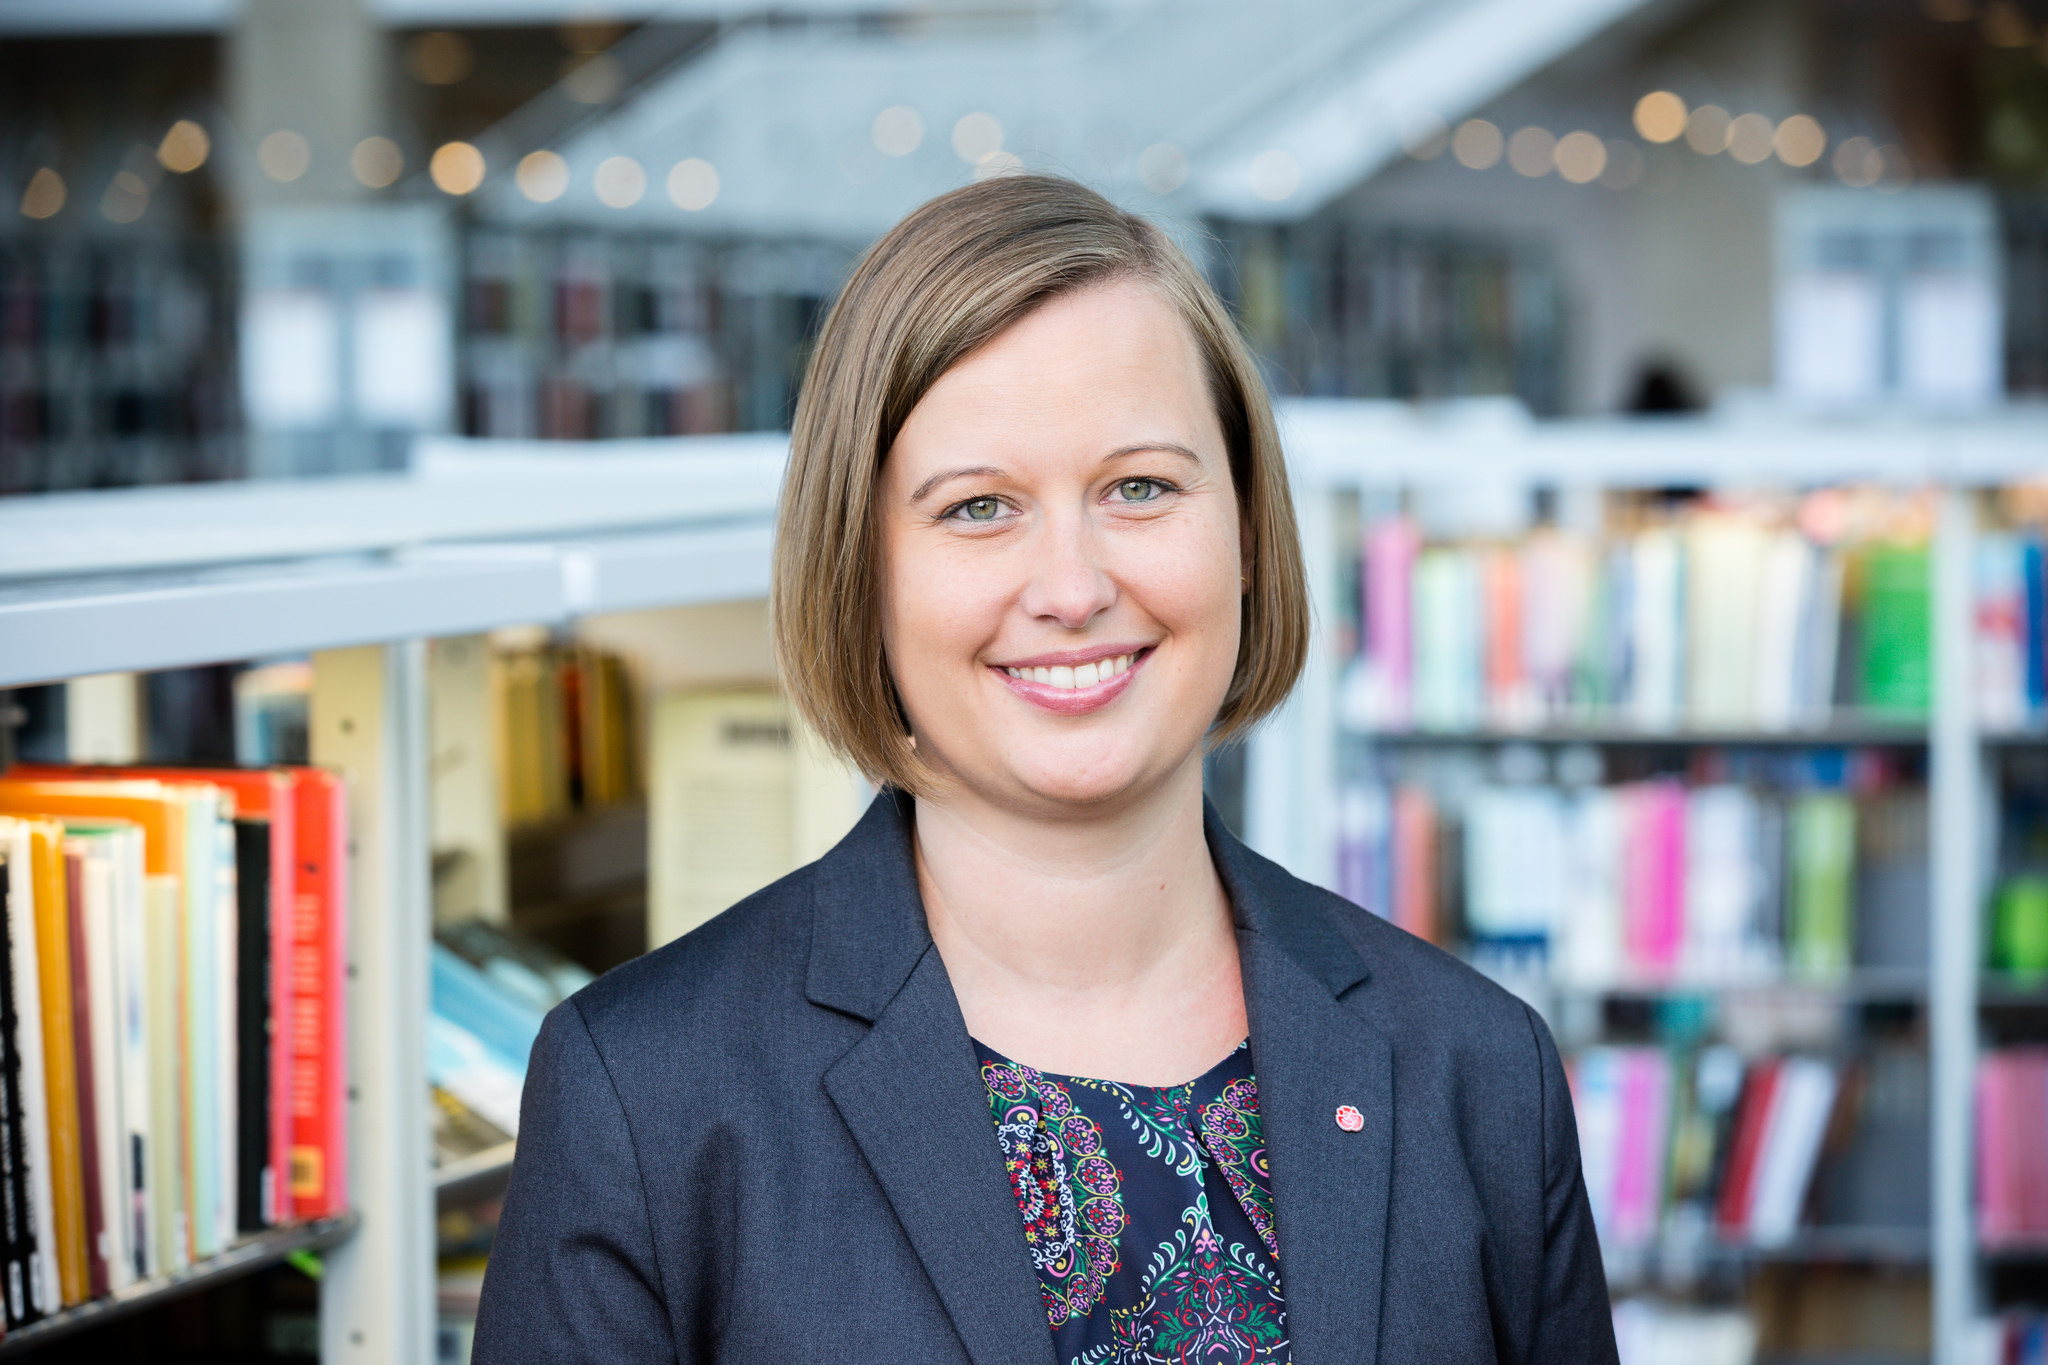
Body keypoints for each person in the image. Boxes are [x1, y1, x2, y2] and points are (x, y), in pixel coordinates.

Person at [473, 174, 1616, 1365]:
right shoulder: (646, 1095)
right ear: (858, 571)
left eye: (1140, 488)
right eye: (977, 508)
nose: (1071, 589)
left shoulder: (1477, 1072)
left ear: (1244, 530)